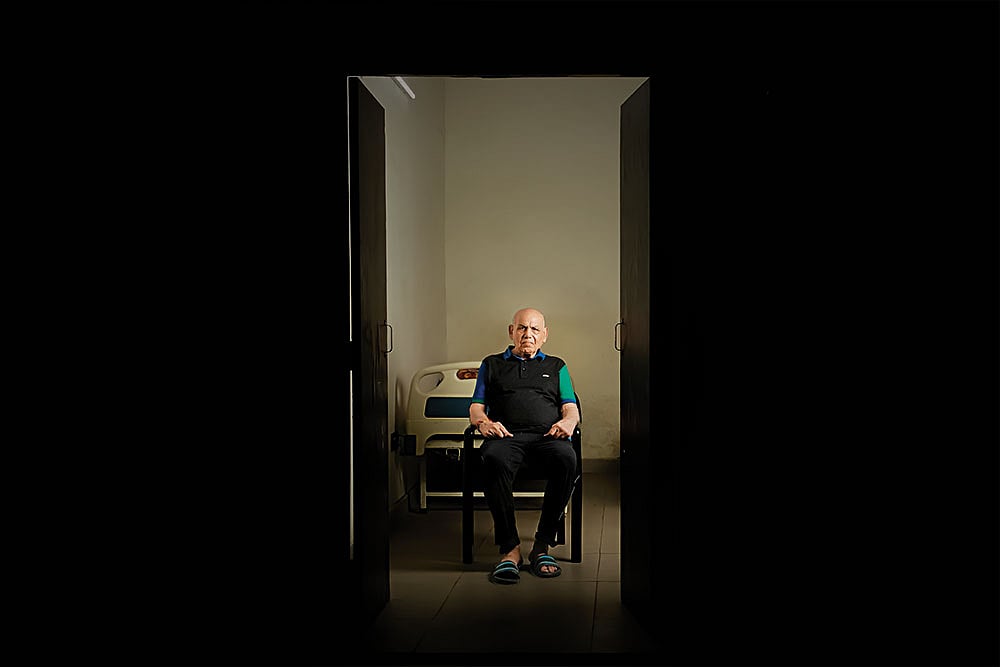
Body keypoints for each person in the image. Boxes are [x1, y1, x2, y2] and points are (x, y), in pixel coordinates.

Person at [469, 307, 580, 584]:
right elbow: (476, 407)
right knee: (492, 458)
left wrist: (569, 422)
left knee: (566, 459)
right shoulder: (491, 364)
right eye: (521, 328)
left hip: (547, 437)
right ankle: (510, 550)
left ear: (545, 335)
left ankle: (541, 546)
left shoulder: (557, 366)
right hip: (506, 437)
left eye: (534, 329)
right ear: (511, 331)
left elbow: (570, 407)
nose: (528, 334)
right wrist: (483, 424)